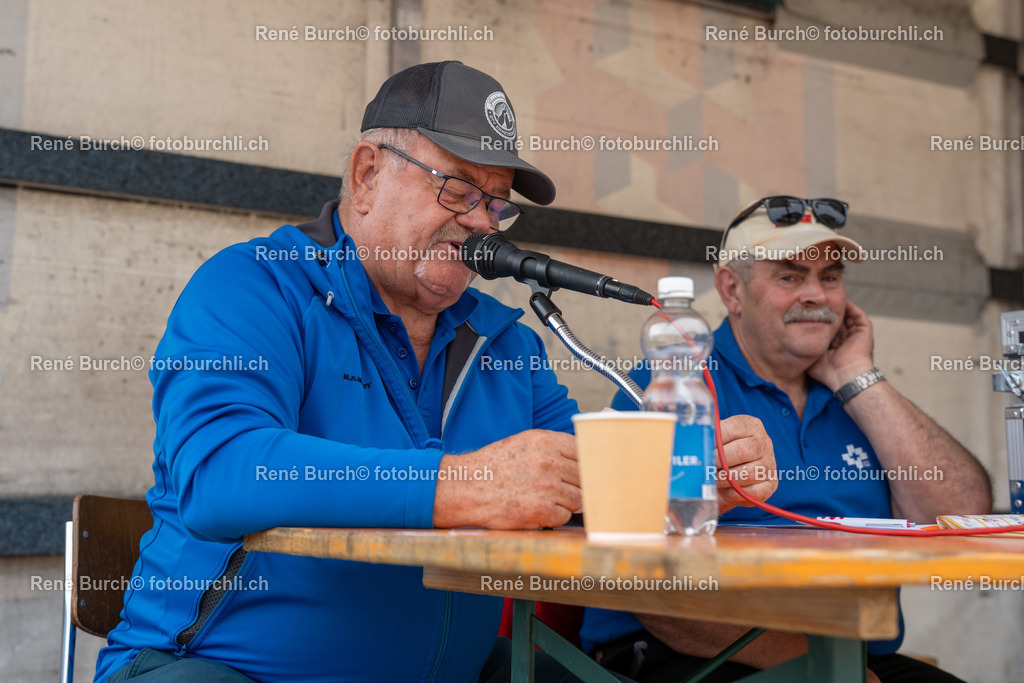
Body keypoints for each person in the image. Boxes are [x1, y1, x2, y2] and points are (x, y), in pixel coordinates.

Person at [92, 61, 777, 683]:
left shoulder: (507, 342)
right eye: (456, 189)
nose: (481, 224)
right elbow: (220, 472)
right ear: (367, 175)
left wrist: (691, 474)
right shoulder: (254, 287)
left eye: (496, 203)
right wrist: (465, 484)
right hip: (217, 667)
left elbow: (580, 484)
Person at [582, 196, 993, 683]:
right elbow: (639, 583)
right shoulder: (676, 385)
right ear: (732, 289)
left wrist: (856, 373)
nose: (816, 295)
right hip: (696, 655)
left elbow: (965, 516)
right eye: (791, 276)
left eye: (831, 277)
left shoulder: (853, 396)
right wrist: (815, 665)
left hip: (853, 655)